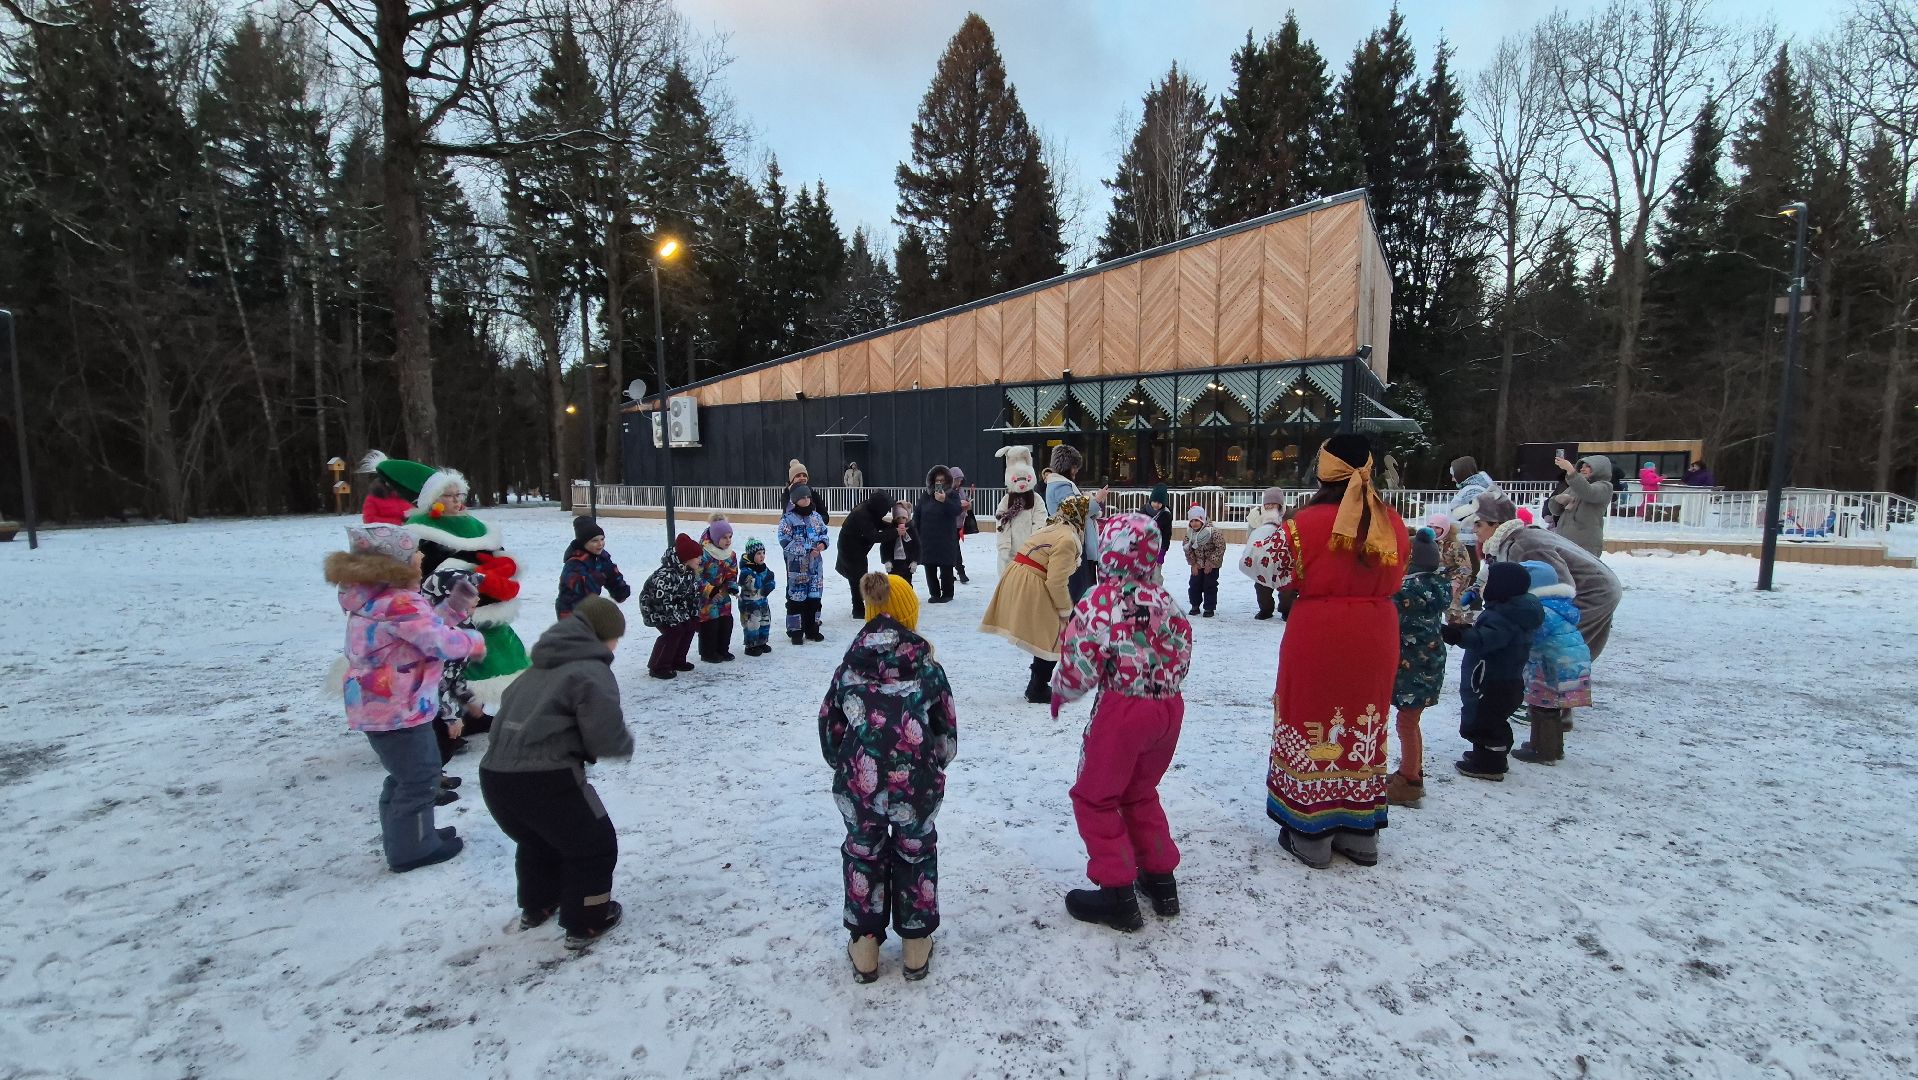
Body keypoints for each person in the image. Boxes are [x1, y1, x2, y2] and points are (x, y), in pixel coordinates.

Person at [1240, 433, 1409, 870]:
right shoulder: (1392, 521)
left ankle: (1310, 832)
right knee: (1364, 722)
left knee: (1310, 718)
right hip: (1376, 632)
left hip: (1320, 633)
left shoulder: (1306, 524)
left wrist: (1267, 527)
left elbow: (1259, 566)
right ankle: (1360, 833)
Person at [1051, 512, 1194, 932]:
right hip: (1168, 708)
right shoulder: (1166, 600)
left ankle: (1117, 893)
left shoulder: (1101, 600)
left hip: (1123, 710)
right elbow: (1184, 647)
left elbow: (1080, 656)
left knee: (1095, 796)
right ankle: (1161, 879)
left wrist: (1063, 690)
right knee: (1140, 790)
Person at [821, 572, 957, 982]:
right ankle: (916, 945)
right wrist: (928, 765)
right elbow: (946, 735)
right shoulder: (928, 668)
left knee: (863, 851)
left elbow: (831, 732)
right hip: (916, 785)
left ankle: (864, 948)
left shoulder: (848, 669)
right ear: (908, 614)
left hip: (858, 786)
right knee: (915, 850)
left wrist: (851, 767)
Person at [325, 524, 484, 872]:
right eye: (415, 552)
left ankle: (412, 835)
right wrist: (472, 641)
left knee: (405, 776)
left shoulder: (375, 598)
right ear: (394, 564)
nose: (422, 556)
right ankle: (413, 849)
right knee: (420, 777)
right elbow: (437, 641)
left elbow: (420, 629)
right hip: (399, 706)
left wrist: (455, 611)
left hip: (382, 705)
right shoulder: (398, 602)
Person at [479, 596, 633, 950]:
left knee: (539, 839)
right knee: (593, 844)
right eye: (615, 638)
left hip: (495, 774)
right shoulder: (592, 670)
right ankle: (587, 921)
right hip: (546, 777)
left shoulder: (537, 669)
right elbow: (604, 730)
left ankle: (538, 905)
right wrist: (617, 745)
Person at [1473, 491, 1621, 664]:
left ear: (1495, 524)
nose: (1474, 530)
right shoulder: (1509, 540)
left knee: (1560, 653)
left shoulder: (1522, 545)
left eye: (1478, 524)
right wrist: (1477, 588)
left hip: (1593, 592)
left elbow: (1558, 588)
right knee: (1554, 655)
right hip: (1598, 587)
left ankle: (1559, 686)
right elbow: (1496, 570)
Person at [980, 495, 1090, 704]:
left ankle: (1039, 683)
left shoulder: (1052, 528)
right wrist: (1065, 610)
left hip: (1018, 575)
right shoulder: (1067, 539)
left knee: (1050, 631)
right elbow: (1056, 582)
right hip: (1031, 581)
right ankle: (1038, 686)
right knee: (1056, 630)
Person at [1441, 562, 1542, 781]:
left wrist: (1457, 636)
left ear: (1501, 587)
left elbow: (1485, 639)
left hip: (1491, 681)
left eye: (1485, 583)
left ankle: (1490, 763)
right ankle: (1488, 753)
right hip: (1506, 680)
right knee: (1495, 720)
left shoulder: (1503, 618)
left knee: (1484, 721)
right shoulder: (1513, 612)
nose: (1482, 588)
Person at [1387, 528, 1449, 808]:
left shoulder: (1406, 591)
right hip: (1431, 662)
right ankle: (1412, 772)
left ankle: (1410, 780)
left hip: (1412, 665)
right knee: (1412, 721)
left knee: (1406, 723)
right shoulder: (1437, 586)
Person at [1512, 560, 1592, 766]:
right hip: (1570, 664)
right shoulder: (1559, 605)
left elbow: (1533, 636)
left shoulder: (1541, 610)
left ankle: (1544, 751)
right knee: (1550, 708)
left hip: (1552, 666)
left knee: (1543, 709)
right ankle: (1551, 747)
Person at [1043, 445, 1108, 603]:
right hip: (1074, 546)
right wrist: (1097, 499)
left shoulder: (1059, 484)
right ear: (1067, 466)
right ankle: (1078, 625)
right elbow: (1073, 510)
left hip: (1075, 544)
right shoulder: (1060, 485)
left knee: (1082, 592)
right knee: (1080, 594)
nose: (1076, 471)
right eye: (1075, 467)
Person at [639, 534, 702, 679]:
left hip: (676, 608)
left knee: (689, 626)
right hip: (656, 609)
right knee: (673, 631)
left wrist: (693, 615)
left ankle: (677, 660)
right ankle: (658, 666)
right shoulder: (665, 575)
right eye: (697, 557)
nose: (700, 560)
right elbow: (660, 600)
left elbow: (692, 595)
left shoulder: (689, 573)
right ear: (686, 557)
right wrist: (673, 618)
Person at [779, 485, 830, 642]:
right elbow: (784, 540)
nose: (806, 500)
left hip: (815, 567)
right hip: (797, 568)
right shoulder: (788, 519)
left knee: (814, 599)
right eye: (802, 498)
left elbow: (824, 534)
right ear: (795, 500)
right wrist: (807, 549)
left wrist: (822, 544)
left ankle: (812, 629)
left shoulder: (816, 517)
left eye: (808, 497)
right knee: (796, 600)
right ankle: (795, 631)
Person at [556, 516, 631, 619]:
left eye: (602, 539)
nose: (600, 544)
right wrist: (601, 576)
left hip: (590, 610)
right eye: (594, 541)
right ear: (584, 543)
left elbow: (611, 573)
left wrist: (619, 588)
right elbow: (581, 588)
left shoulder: (601, 557)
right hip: (570, 613)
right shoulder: (575, 562)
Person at [836, 491, 895, 619]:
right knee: (856, 578)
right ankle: (858, 610)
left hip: (856, 548)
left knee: (858, 576)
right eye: (886, 508)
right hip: (850, 549)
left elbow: (877, 523)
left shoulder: (869, 510)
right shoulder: (862, 514)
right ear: (879, 507)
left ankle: (860, 608)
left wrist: (892, 526)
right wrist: (895, 532)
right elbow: (874, 536)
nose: (887, 511)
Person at [1542, 455, 1614, 557]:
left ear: (1599, 468)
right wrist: (1557, 500)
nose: (1582, 468)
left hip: (1585, 545)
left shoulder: (1605, 487)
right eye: (1581, 466)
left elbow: (1588, 492)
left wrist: (1571, 471)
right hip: (1564, 542)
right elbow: (1555, 511)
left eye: (1588, 466)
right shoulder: (1575, 486)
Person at [914, 465, 965, 603]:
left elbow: (956, 510)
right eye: (937, 481)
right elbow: (917, 515)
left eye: (942, 480)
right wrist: (915, 533)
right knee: (929, 568)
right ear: (932, 481)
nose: (939, 483)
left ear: (947, 481)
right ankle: (934, 594)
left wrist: (944, 501)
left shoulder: (952, 495)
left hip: (946, 539)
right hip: (927, 539)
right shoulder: (925, 496)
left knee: (946, 567)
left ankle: (948, 594)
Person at [994, 445, 1044, 573]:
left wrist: (1034, 543)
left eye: (1026, 479)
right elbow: (1002, 523)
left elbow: (1040, 520)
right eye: (1016, 479)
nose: (1022, 484)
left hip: (1031, 551)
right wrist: (1004, 546)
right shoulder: (1007, 500)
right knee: (1011, 583)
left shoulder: (1036, 499)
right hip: (1011, 553)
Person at [695, 516, 739, 663]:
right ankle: (708, 652)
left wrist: (732, 588)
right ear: (715, 538)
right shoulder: (704, 553)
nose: (728, 540)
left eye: (730, 537)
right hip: (707, 596)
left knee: (726, 621)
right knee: (710, 622)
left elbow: (732, 572)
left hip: (723, 592)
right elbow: (697, 575)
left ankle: (722, 649)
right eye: (724, 537)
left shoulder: (730, 554)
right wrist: (710, 591)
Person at [1445, 456, 1498, 561]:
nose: (1452, 479)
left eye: (1454, 475)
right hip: (1471, 538)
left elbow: (1476, 515)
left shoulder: (1473, 490)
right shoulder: (1471, 488)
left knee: (1471, 570)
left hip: (1471, 539)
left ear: (1461, 473)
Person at [356, 450, 429, 525]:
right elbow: (369, 519)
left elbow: (413, 514)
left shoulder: (404, 496)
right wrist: (397, 522)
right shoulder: (372, 499)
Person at [1426, 513, 1475, 618]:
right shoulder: (1426, 544)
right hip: (1434, 584)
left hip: (1453, 585)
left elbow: (1466, 568)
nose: (1433, 530)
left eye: (1437, 528)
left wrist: (1456, 582)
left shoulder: (1455, 545)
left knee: (1454, 614)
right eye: (1430, 527)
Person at [1245, 488, 1285, 620]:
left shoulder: (1287, 516)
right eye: (1268, 503)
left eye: (1273, 503)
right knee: (1262, 584)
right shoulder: (1256, 517)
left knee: (1286, 585)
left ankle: (1286, 609)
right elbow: (1251, 536)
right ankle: (1266, 609)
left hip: (1283, 556)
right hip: (1261, 556)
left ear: (1280, 504)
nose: (1270, 506)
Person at [737, 539, 778, 657]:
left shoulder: (763, 567)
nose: (762, 556)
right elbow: (754, 584)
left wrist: (769, 584)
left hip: (763, 601)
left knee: (765, 621)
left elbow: (771, 579)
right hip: (750, 604)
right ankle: (751, 645)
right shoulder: (746, 571)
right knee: (752, 624)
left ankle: (762, 641)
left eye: (763, 553)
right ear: (751, 555)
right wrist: (764, 578)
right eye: (758, 554)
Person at [1182, 504, 1224, 618]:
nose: (1194, 523)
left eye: (1197, 520)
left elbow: (1220, 547)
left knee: (1209, 585)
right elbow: (1188, 550)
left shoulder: (1213, 532)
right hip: (1198, 565)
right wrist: (1193, 564)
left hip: (1211, 565)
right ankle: (1195, 605)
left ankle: (1209, 607)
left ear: (1202, 520)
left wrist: (1211, 562)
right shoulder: (1190, 534)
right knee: (1194, 585)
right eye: (1192, 521)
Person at [782, 460, 832, 526]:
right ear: (792, 480)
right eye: (798, 476)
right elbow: (786, 516)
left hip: (813, 533)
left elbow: (825, 517)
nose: (802, 478)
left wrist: (815, 521)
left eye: (804, 475)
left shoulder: (814, 494)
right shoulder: (787, 495)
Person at [951, 466, 978, 584]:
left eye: (960, 480)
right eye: (957, 479)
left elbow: (966, 501)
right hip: (949, 523)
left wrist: (968, 504)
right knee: (954, 548)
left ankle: (946, 572)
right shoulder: (946, 490)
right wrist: (959, 505)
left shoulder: (960, 490)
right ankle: (960, 572)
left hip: (959, 523)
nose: (959, 482)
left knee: (952, 548)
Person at [885, 501, 920, 583]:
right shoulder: (891, 530)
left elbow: (917, 546)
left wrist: (915, 561)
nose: (901, 520)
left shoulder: (911, 530)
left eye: (903, 518)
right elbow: (885, 546)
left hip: (907, 563)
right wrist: (887, 560)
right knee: (893, 583)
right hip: (893, 563)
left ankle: (907, 595)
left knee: (907, 582)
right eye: (898, 518)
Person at [1147, 485, 1173, 565]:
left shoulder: (1166, 515)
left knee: (1155, 572)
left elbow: (1167, 535)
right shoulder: (1144, 510)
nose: (1156, 504)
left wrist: (1162, 552)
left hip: (1157, 547)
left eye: (1159, 502)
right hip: (1143, 546)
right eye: (1154, 501)